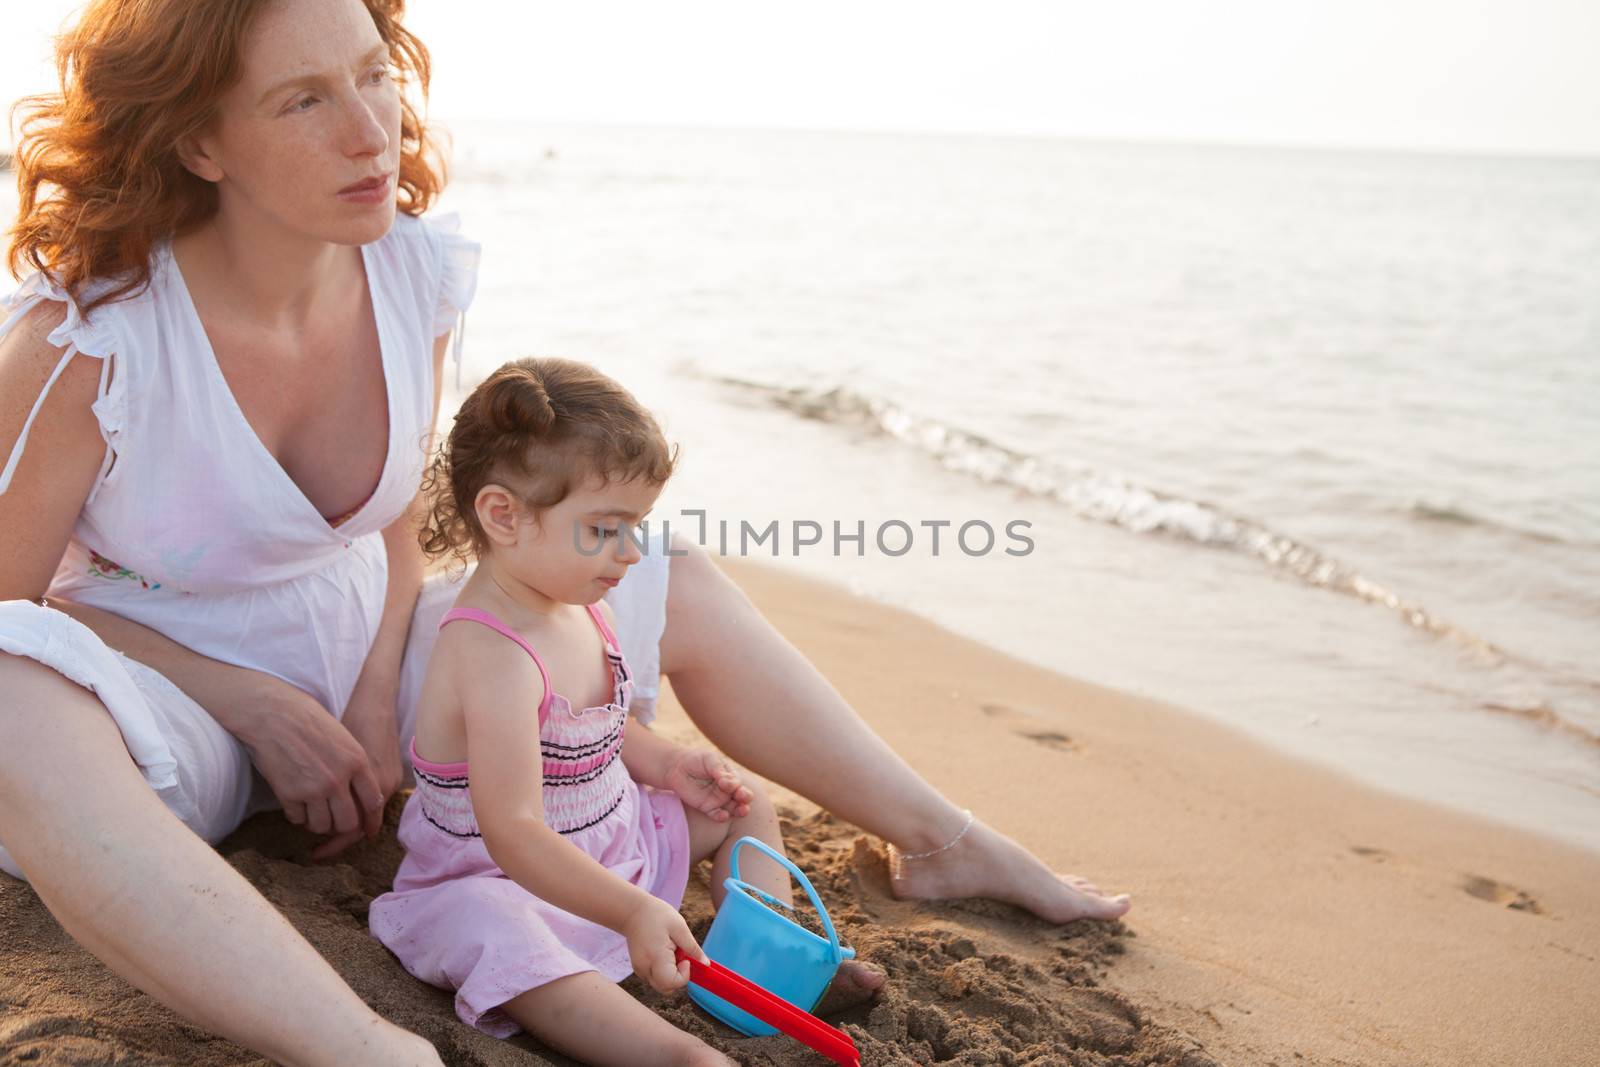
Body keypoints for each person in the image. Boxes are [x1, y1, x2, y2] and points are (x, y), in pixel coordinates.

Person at [0, 1, 1130, 1065]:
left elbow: (389, 520)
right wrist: (244, 698)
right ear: (201, 142)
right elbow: (13, 605)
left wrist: (375, 693)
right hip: (169, 697)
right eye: (303, 102)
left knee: (659, 570)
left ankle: (938, 839)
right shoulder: (86, 337)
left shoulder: (405, 267)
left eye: (372, 76)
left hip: (363, 644)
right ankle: (366, 1049)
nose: (370, 133)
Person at [371, 356, 808, 1066]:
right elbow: (513, 831)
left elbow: (595, 729)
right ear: (503, 514)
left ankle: (757, 978)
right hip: (503, 878)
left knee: (743, 801)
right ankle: (673, 1052)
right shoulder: (492, 652)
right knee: (510, 943)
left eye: (638, 525)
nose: (632, 551)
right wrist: (632, 909)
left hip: (609, 839)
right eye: (607, 527)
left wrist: (669, 762)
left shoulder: (576, 603)